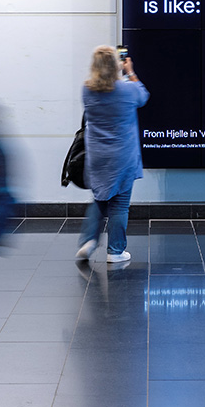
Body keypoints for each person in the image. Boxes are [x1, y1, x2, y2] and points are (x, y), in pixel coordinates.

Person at [75, 45, 149, 264]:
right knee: (119, 204)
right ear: (116, 64)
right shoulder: (127, 89)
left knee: (100, 197)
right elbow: (143, 96)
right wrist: (130, 72)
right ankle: (115, 251)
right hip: (123, 155)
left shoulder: (86, 89)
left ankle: (88, 241)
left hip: (97, 155)